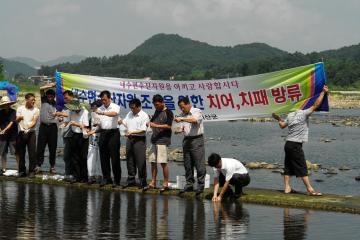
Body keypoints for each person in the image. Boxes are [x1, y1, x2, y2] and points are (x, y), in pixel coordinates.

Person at [272, 85, 329, 196]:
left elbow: (282, 125)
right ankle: (310, 189)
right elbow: (316, 105)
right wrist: (323, 92)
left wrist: (278, 118)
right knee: (301, 166)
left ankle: (287, 188)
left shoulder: (290, 115)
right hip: (295, 145)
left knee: (288, 166)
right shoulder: (303, 114)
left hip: (288, 144)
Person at [175, 96, 206, 194]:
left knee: (199, 163)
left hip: (197, 139)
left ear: (188, 104)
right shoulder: (182, 115)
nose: (182, 109)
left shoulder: (197, 111)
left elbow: (194, 120)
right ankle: (189, 184)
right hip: (186, 140)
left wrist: (182, 119)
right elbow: (182, 128)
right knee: (187, 164)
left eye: (183, 107)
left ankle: (200, 185)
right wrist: (177, 130)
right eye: (180, 107)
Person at [145, 94, 174, 192]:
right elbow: (153, 121)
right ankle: (153, 182)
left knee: (163, 162)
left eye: (157, 104)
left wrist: (156, 125)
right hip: (154, 139)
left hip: (163, 140)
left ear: (162, 102)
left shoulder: (168, 112)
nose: (156, 106)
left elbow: (169, 126)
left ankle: (165, 183)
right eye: (154, 105)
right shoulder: (156, 111)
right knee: (152, 162)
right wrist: (149, 123)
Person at [120, 98, 149, 189]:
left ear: (139, 107)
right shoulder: (129, 114)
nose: (132, 109)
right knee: (130, 160)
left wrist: (132, 132)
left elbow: (143, 130)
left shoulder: (144, 115)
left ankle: (142, 181)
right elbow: (124, 123)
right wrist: (120, 122)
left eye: (133, 108)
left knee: (140, 161)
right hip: (129, 139)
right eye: (131, 108)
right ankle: (131, 180)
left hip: (139, 140)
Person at [96, 90, 121, 187]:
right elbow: (98, 121)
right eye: (102, 100)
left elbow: (114, 114)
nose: (103, 101)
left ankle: (117, 179)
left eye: (105, 100)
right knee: (103, 157)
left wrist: (102, 113)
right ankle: (106, 178)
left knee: (114, 157)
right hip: (103, 133)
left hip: (113, 133)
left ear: (109, 98)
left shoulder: (115, 106)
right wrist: (96, 123)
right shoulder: (100, 108)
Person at [64, 99, 89, 183]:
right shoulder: (71, 112)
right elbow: (67, 121)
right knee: (74, 157)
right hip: (74, 134)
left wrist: (75, 124)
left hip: (83, 136)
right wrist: (63, 123)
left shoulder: (85, 112)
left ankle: (84, 177)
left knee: (83, 157)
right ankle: (76, 176)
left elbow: (85, 125)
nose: (72, 110)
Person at [16, 93, 40, 177]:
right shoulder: (20, 109)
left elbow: (34, 121)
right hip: (22, 133)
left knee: (32, 153)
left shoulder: (36, 110)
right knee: (21, 152)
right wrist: (19, 118)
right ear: (26, 100)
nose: (34, 101)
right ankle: (22, 170)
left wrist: (27, 127)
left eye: (34, 99)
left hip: (31, 133)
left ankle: (31, 171)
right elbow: (17, 121)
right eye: (32, 99)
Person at [36, 84, 58, 174]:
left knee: (52, 148)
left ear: (54, 97)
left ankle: (52, 166)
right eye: (48, 95)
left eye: (52, 96)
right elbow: (40, 88)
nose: (50, 97)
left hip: (53, 128)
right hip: (43, 127)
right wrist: (51, 85)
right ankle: (38, 165)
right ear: (46, 96)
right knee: (40, 147)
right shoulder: (43, 100)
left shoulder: (57, 104)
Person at [54, 90, 74, 181]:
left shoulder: (75, 106)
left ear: (71, 97)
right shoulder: (64, 106)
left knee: (70, 155)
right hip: (65, 133)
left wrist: (61, 114)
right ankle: (68, 173)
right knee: (67, 156)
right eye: (64, 98)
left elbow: (72, 116)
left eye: (66, 97)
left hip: (72, 134)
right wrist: (60, 118)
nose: (65, 99)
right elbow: (63, 119)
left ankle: (71, 174)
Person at [85, 100, 102, 184]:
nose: (91, 109)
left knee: (100, 158)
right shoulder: (92, 114)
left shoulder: (103, 113)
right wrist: (88, 130)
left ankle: (99, 176)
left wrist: (94, 131)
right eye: (91, 107)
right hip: (93, 139)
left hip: (101, 139)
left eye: (93, 107)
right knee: (90, 157)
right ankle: (91, 176)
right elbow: (88, 125)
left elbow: (103, 127)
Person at [0, 96, 18, 175]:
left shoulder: (13, 111)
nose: (6, 105)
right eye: (4, 104)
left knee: (15, 152)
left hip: (13, 135)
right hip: (3, 136)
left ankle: (19, 168)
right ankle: (4, 168)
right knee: (3, 152)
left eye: (7, 104)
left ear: (9, 104)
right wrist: (0, 130)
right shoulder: (0, 112)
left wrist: (4, 130)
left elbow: (11, 122)